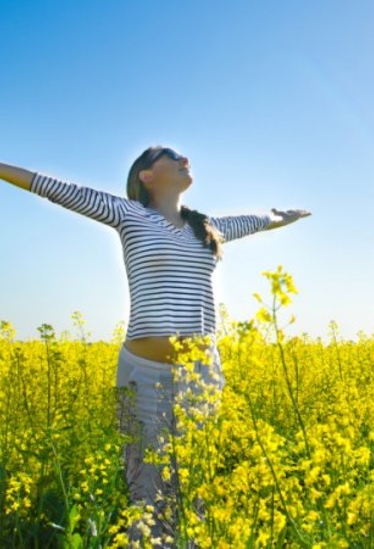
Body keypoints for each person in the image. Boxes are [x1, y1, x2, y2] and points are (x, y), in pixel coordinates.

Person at [0, 147, 311, 544]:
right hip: (140, 373)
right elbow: (52, 187)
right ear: (146, 176)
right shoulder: (129, 215)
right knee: (144, 488)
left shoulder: (208, 228)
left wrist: (283, 216)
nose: (185, 158)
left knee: (194, 485)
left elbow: (258, 220)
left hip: (201, 375)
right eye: (171, 155)